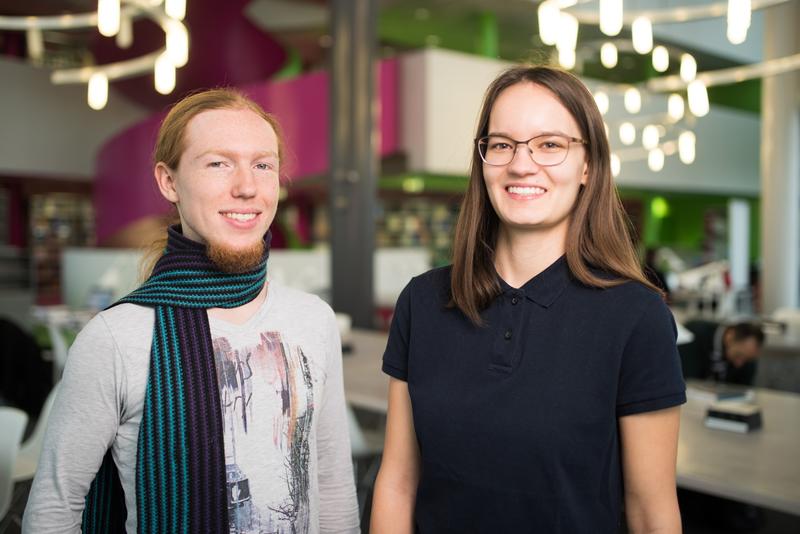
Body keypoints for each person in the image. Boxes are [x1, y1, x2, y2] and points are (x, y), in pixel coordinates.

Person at [23, 89, 359, 533]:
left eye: (263, 164)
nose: (246, 186)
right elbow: (54, 508)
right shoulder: (116, 337)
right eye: (218, 163)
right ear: (169, 181)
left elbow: (333, 486)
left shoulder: (313, 321)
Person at [371, 66, 685, 533]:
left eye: (550, 144)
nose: (522, 164)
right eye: (502, 144)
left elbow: (650, 511)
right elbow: (398, 482)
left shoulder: (637, 316)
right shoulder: (423, 301)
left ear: (588, 166)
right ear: (483, 161)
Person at [679, 319, 764, 385]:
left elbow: (742, 390)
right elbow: (686, 381)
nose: (739, 364)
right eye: (738, 355)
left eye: (747, 359)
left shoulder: (747, 358)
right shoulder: (694, 335)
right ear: (729, 337)